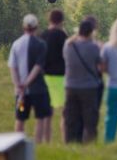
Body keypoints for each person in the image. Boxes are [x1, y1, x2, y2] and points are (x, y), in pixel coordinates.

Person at [8, 14, 52, 144]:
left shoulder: (16, 44)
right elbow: (38, 66)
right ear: (36, 27)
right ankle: (38, 144)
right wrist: (27, 83)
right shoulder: (41, 44)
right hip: (38, 90)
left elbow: (13, 67)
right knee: (40, 117)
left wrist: (19, 85)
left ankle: (18, 145)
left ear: (23, 27)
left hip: (21, 93)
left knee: (20, 117)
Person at [63, 20, 101, 143]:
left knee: (71, 119)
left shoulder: (68, 46)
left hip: (71, 87)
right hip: (89, 87)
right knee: (90, 120)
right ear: (91, 32)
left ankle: (71, 143)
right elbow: (100, 66)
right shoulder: (94, 47)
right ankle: (89, 144)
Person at [40, 9, 68, 141]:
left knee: (47, 113)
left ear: (49, 20)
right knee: (65, 111)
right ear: (62, 21)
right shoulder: (62, 36)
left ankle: (47, 140)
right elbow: (67, 54)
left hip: (44, 76)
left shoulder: (43, 35)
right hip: (60, 77)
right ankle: (65, 139)